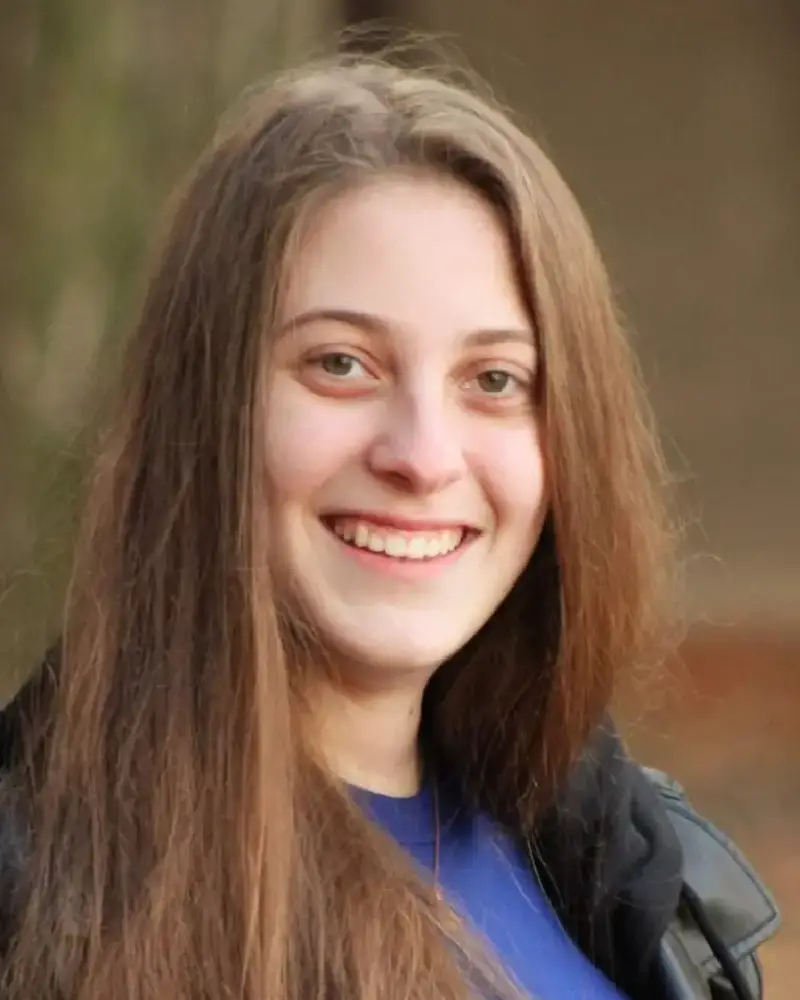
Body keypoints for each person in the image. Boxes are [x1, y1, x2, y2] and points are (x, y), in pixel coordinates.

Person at [0, 45, 778, 1000]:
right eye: (340, 364)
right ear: (203, 408)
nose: (421, 454)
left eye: (494, 381)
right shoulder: (41, 899)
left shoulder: (616, 854)